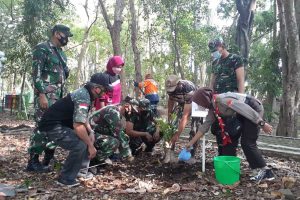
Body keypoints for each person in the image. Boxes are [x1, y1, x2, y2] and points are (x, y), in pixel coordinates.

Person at [27, 72, 112, 186]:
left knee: (86, 136)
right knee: (80, 144)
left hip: (60, 124)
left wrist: (90, 131)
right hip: (51, 126)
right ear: (96, 88)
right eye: (104, 90)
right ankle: (65, 178)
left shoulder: (86, 94)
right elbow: (78, 126)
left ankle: (80, 172)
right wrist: (91, 146)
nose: (105, 93)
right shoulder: (83, 96)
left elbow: (81, 117)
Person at [185, 87, 275, 181]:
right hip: (242, 114)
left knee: (247, 142)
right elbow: (204, 127)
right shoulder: (213, 107)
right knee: (232, 139)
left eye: (199, 102)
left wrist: (262, 123)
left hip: (253, 109)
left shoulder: (223, 101)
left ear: (203, 99)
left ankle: (266, 172)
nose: (199, 105)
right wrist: (190, 143)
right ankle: (241, 168)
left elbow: (246, 110)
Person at [27, 25, 73, 172]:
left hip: (58, 98)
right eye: (65, 35)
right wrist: (41, 94)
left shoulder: (61, 53)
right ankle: (33, 161)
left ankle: (48, 159)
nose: (67, 38)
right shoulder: (42, 48)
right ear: (57, 33)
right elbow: (36, 73)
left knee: (54, 127)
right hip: (46, 96)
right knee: (42, 127)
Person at [208, 37, 245, 156]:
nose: (214, 52)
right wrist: (210, 97)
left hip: (231, 102)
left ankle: (229, 156)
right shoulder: (215, 62)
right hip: (218, 102)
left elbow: (240, 80)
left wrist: (241, 101)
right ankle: (221, 154)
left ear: (222, 46)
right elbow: (212, 82)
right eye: (212, 50)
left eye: (215, 49)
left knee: (231, 129)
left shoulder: (235, 59)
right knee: (218, 129)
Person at [164, 75, 197, 163]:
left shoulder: (188, 88)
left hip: (195, 104)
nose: (171, 91)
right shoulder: (170, 88)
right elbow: (171, 101)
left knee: (195, 129)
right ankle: (170, 152)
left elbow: (185, 116)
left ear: (178, 84)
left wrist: (178, 134)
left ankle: (190, 155)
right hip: (181, 103)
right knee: (172, 126)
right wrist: (169, 117)